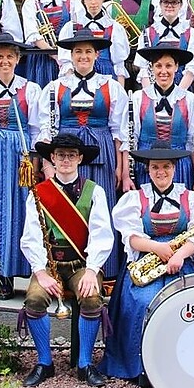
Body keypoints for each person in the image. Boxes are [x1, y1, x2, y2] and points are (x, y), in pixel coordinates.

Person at [99, 148, 194, 384]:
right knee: (143, 302)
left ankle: (180, 365)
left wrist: (179, 256)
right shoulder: (134, 198)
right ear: (147, 171)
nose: (161, 172)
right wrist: (158, 248)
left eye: (166, 166)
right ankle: (142, 367)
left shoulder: (191, 197)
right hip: (146, 260)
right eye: (155, 167)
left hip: (181, 262)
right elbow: (131, 238)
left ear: (174, 169)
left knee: (182, 303)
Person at [20, 133, 116, 388]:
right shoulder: (38, 193)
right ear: (52, 158)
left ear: (80, 159)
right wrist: (40, 272)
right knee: (34, 299)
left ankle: (85, 364)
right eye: (61, 155)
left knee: (92, 298)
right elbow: (30, 237)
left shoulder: (95, 192)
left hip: (81, 266)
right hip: (49, 267)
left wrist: (92, 270)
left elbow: (102, 235)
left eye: (71, 155)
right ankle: (44, 362)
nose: (65, 160)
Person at [36, 33, 131, 276]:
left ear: (97, 55)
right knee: (67, 209)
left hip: (102, 153)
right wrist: (48, 166)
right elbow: (46, 130)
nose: (83, 56)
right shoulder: (55, 88)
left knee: (101, 210)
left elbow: (119, 131)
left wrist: (121, 169)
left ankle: (103, 273)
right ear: (71, 55)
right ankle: (66, 270)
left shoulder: (111, 86)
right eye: (78, 52)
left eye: (88, 51)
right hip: (65, 155)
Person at [0, 33, 43, 295]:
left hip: (18, 160)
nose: (5, 61)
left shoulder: (30, 89)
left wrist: (34, 165)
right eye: (0, 57)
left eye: (10, 56)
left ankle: (10, 272)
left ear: (18, 59)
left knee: (16, 212)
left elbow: (36, 131)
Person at [129, 46, 194, 189]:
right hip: (147, 166)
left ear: (176, 67)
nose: (163, 71)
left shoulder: (191, 100)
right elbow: (131, 138)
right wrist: (127, 174)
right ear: (151, 68)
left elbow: (193, 141)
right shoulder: (138, 98)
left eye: (168, 66)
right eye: (158, 66)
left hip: (180, 166)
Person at [19, 0, 80, 86]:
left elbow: (78, 30)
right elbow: (32, 34)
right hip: (41, 57)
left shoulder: (73, 2)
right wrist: (55, 55)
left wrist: (64, 57)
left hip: (68, 57)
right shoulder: (31, 3)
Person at [134, 0, 194, 92]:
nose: (169, 5)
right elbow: (143, 69)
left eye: (174, 2)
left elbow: (192, 69)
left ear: (181, 5)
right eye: (166, 2)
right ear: (160, 4)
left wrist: (178, 94)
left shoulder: (192, 33)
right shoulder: (147, 33)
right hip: (153, 90)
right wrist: (151, 95)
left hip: (182, 90)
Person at [57, 0, 129, 78]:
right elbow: (67, 64)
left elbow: (119, 66)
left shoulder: (114, 28)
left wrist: (120, 87)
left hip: (106, 76)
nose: (93, 2)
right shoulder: (71, 27)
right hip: (79, 75)